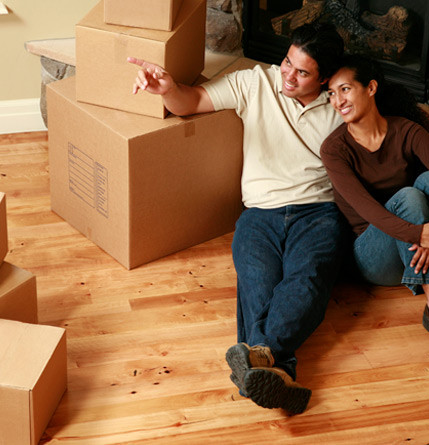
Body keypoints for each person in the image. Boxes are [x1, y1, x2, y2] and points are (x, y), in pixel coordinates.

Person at [128, 22, 348, 414]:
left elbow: (389, 133)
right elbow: (191, 101)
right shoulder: (255, 82)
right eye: (286, 62)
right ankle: (278, 373)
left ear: (326, 78)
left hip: (318, 212)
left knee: (308, 279)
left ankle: (259, 368)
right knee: (257, 284)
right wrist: (167, 89)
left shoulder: (340, 104)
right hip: (259, 213)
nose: (288, 75)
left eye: (302, 72)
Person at [320, 54, 429, 348]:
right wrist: (420, 234)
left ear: (371, 88)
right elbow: (368, 210)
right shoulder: (334, 150)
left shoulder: (407, 130)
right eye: (331, 94)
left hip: (417, 242)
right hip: (372, 254)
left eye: (345, 89)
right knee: (409, 195)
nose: (337, 101)